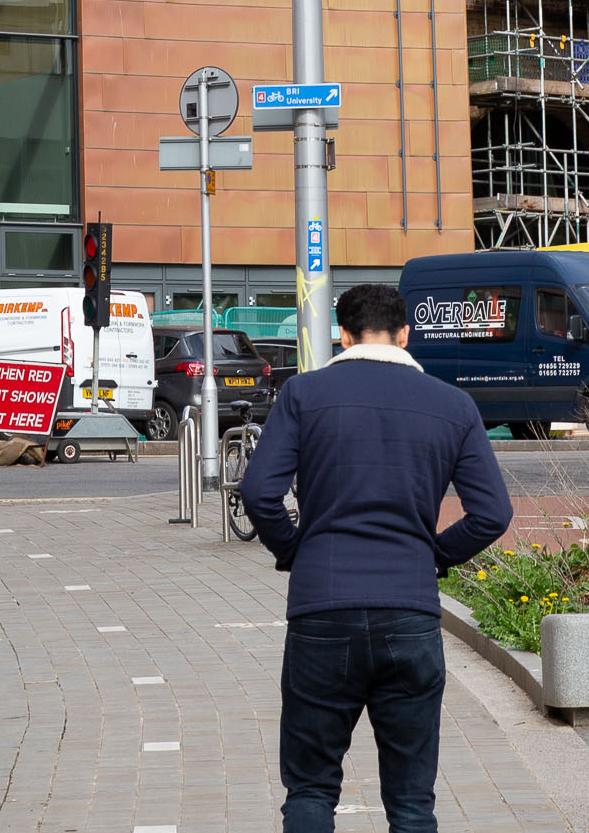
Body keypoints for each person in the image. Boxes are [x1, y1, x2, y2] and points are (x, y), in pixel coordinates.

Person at [239, 282, 514, 833]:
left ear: (342, 334)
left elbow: (259, 494)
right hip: (409, 612)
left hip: (322, 609)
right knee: (413, 803)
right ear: (405, 333)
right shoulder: (452, 404)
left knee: (311, 788)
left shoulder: (303, 395)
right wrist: (432, 556)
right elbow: (492, 513)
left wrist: (297, 549)